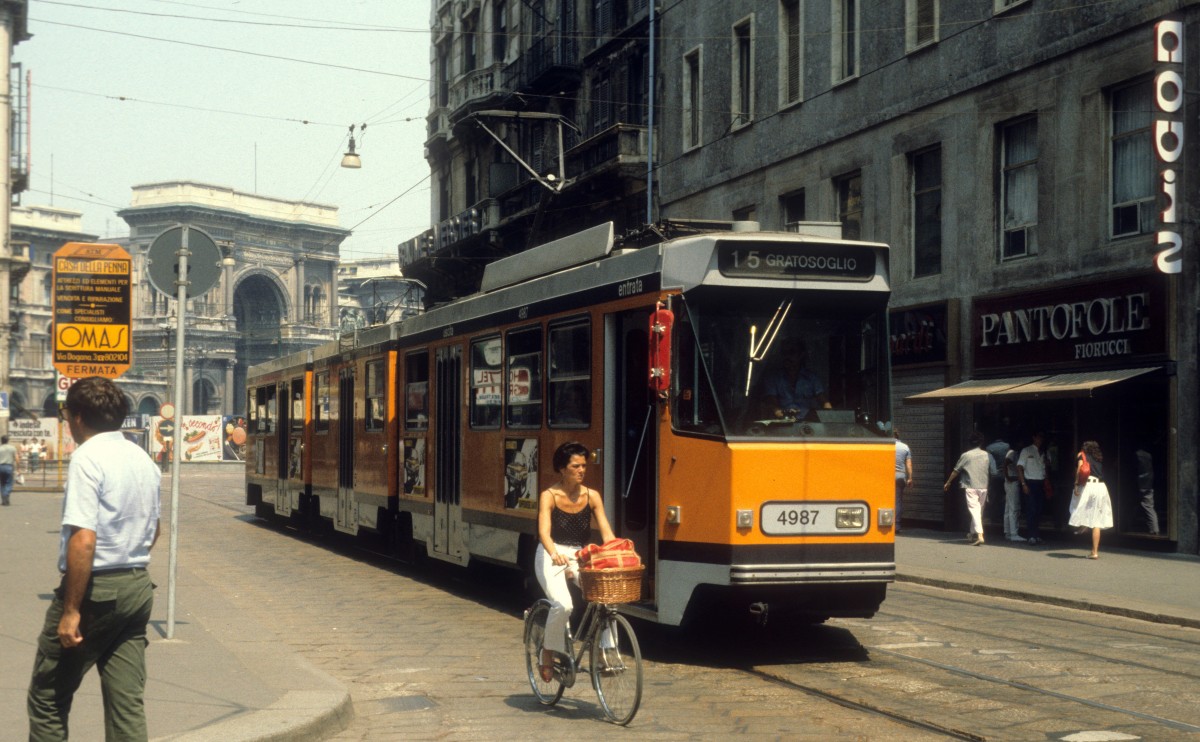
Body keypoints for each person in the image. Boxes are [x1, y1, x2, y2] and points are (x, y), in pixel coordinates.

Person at [27, 377, 162, 742]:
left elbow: (83, 539)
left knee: (48, 697)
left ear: (79, 417)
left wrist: (71, 609)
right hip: (137, 586)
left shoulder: (87, 458)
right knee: (126, 704)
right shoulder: (142, 458)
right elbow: (155, 530)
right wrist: (126, 555)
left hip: (96, 592)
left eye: (66, 413)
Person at [535, 441, 616, 682]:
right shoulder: (549, 496)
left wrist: (616, 552)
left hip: (580, 555)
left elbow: (607, 532)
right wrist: (554, 553)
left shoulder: (592, 496)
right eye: (576, 466)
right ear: (562, 468)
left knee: (607, 597)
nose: (582, 470)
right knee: (563, 605)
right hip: (551, 553)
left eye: (584, 466)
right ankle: (547, 652)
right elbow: (544, 533)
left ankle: (602, 652)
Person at [762, 340, 831, 421]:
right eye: (785, 353)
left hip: (808, 424)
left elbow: (824, 402)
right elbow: (772, 402)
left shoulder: (812, 378)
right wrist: (780, 414)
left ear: (801, 355)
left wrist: (829, 417)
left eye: (792, 352)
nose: (788, 356)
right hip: (782, 422)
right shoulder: (773, 378)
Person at [1068, 440, 1113, 559]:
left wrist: (1076, 485)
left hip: (1088, 485)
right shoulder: (1098, 458)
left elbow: (1079, 469)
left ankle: (1083, 525)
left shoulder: (1081, 455)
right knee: (1097, 520)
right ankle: (1094, 552)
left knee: (1076, 506)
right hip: (1101, 487)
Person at [943, 432, 990, 545]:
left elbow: (956, 470)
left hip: (971, 486)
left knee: (975, 510)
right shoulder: (986, 455)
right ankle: (972, 533)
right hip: (984, 486)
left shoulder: (966, 455)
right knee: (979, 511)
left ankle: (979, 534)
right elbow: (991, 470)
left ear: (969, 443)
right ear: (981, 442)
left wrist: (948, 482)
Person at [1017, 431, 1049, 545]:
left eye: (1042, 438)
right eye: (1038, 437)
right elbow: (1019, 467)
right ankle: (1031, 535)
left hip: (1040, 482)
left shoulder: (1043, 452)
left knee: (1039, 510)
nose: (1040, 440)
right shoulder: (1026, 450)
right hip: (1030, 482)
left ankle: (1036, 534)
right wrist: (1023, 484)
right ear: (1034, 437)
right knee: (1031, 509)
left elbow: (1045, 468)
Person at [1002, 446, 1024, 541]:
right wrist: (1008, 477)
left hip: (1011, 480)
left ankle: (1008, 531)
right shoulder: (1012, 452)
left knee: (1008, 508)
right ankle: (1014, 533)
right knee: (1014, 508)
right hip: (1012, 481)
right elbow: (1005, 464)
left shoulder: (1013, 452)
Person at [1136, 447, 1160, 536]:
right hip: (1148, 482)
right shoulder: (1148, 455)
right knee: (1148, 506)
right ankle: (1154, 529)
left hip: (1140, 483)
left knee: (1145, 506)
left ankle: (1154, 529)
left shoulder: (1137, 455)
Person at [894, 430, 912, 532]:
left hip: (884, 475)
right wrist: (910, 478)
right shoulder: (905, 447)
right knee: (898, 500)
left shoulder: (885, 445)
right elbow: (909, 464)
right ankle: (896, 525)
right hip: (899, 475)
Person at [0, 434, 17, 506]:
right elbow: (17, 458)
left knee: (2, 483)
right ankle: (6, 495)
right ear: (8, 440)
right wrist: (18, 467)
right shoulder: (12, 448)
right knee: (9, 482)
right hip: (9, 467)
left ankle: (4, 498)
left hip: (0, 466)